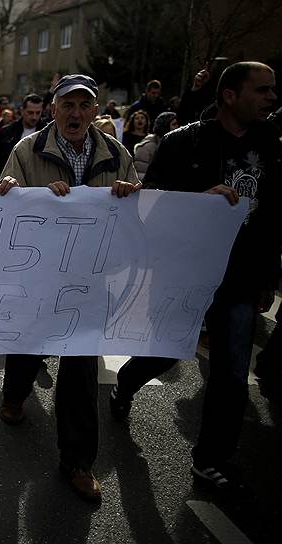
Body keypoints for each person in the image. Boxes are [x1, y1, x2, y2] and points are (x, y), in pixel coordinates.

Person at [110, 62, 280, 492]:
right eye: (262, 90)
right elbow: (153, 206)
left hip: (239, 277)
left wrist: (268, 276)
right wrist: (199, 202)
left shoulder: (271, 145)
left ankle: (210, 458)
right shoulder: (184, 142)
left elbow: (273, 217)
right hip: (184, 272)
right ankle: (125, 384)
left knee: (232, 372)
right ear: (229, 95)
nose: (271, 98)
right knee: (166, 353)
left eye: (272, 90)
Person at [0, 74, 141, 502]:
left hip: (90, 279)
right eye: (67, 105)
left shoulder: (116, 154)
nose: (75, 114)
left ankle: (78, 461)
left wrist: (129, 193)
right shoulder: (27, 151)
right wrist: (30, 195)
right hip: (40, 274)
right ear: (53, 109)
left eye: (84, 106)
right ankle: (15, 394)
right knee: (29, 344)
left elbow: (134, 213)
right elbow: (6, 203)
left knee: (80, 368)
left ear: (95, 111)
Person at [0, 94, 44, 175]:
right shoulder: (6, 132)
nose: (34, 117)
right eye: (30, 113)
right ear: (22, 111)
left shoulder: (48, 133)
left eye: (38, 113)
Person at [132, 111, 178, 179]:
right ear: (164, 126)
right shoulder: (146, 147)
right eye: (174, 124)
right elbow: (140, 174)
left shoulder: (178, 144)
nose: (177, 127)